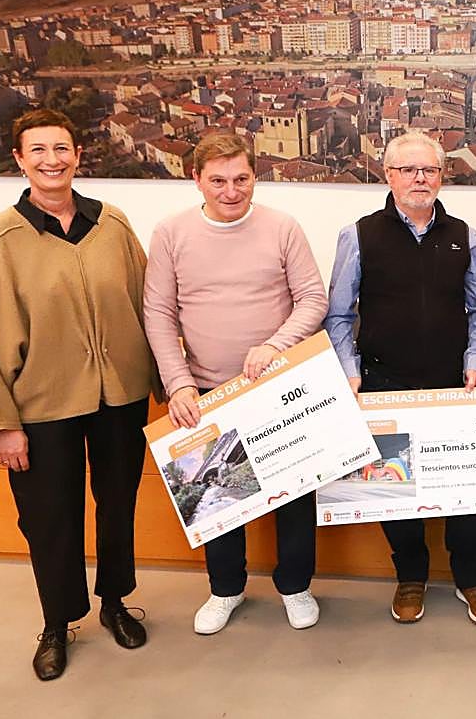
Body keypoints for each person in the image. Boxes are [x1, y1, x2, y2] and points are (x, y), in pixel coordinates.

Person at [0, 109, 157, 681]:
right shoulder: (0, 238)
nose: (52, 160)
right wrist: (2, 423)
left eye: (61, 148)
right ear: (19, 160)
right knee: (49, 516)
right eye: (38, 150)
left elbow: (149, 304)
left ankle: (115, 602)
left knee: (118, 503)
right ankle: (56, 622)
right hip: (40, 406)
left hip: (120, 397)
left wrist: (171, 382)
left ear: (78, 155)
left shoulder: (113, 223)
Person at [143, 132, 328, 636]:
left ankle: (296, 586)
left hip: (278, 385)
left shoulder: (282, 227)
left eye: (241, 179)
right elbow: (158, 313)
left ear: (254, 177)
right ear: (196, 179)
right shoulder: (171, 233)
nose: (231, 191)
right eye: (218, 180)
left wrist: (275, 344)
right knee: (218, 496)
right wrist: (178, 383)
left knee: (295, 494)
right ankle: (226, 589)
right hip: (206, 392)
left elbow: (313, 298)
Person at [324, 130, 476, 626]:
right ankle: (410, 577)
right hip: (385, 384)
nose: (420, 178)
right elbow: (339, 315)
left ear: (442, 176)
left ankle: (473, 579)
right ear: (389, 175)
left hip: (452, 385)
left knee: (468, 490)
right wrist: (351, 373)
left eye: (430, 170)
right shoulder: (358, 235)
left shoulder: (464, 234)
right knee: (394, 490)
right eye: (408, 169)